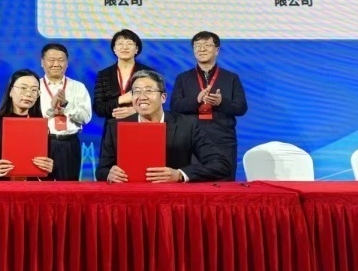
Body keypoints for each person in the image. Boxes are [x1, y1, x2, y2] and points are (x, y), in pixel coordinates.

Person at [96, 70, 230, 183]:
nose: (142, 97)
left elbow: (221, 164)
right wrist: (109, 174)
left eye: (149, 91)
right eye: (136, 91)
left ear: (163, 97)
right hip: (130, 197)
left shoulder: (187, 125)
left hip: (174, 198)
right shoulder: (115, 127)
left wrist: (180, 175)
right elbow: (102, 170)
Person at [169, 31, 247, 179]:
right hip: (191, 141)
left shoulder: (231, 78)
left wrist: (221, 102)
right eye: (197, 46)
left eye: (206, 45)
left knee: (225, 185)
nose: (202, 49)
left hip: (223, 141)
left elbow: (241, 107)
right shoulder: (183, 78)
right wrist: (196, 100)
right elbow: (175, 106)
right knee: (192, 185)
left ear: (217, 50)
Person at [0, 69, 55, 180]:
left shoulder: (42, 129)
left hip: (31, 188)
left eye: (34, 90)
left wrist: (50, 168)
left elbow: (48, 172)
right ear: (10, 91)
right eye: (23, 88)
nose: (29, 94)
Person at [37, 43, 92, 181]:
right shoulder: (34, 86)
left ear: (67, 63)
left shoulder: (78, 87)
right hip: (41, 143)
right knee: (40, 187)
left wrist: (66, 105)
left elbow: (86, 118)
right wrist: (51, 110)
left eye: (61, 60)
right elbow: (29, 117)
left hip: (69, 143)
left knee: (69, 187)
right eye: (51, 60)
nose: (56, 64)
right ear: (42, 62)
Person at [92, 29, 155, 140]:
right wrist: (121, 99)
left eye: (129, 43)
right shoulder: (104, 75)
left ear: (136, 49)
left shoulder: (149, 73)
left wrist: (136, 112)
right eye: (120, 44)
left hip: (141, 127)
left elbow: (156, 104)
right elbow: (99, 108)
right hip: (112, 131)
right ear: (114, 49)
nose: (125, 47)